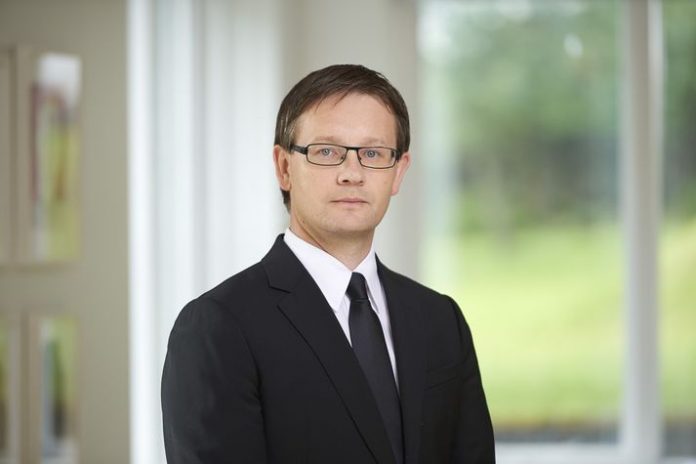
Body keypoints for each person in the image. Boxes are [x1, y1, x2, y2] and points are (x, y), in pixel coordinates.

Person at [161, 64, 495, 464]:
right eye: (327, 152)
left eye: (372, 153)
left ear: (398, 172)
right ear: (284, 167)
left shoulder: (440, 319)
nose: (352, 174)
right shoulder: (218, 327)